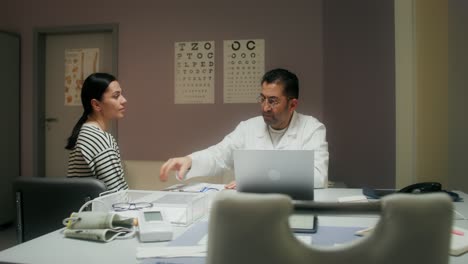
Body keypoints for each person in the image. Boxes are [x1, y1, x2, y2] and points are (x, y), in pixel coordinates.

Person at [159, 68, 329, 188]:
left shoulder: (312, 129)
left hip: (294, 209)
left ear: (292, 104)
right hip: (251, 210)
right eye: (262, 99)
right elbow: (219, 155)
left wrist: (259, 181)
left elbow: (318, 177)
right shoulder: (248, 128)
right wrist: (190, 161)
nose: (265, 107)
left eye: (273, 101)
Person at [66, 72, 129, 192]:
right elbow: (118, 194)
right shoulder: (99, 139)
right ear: (96, 104)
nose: (124, 100)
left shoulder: (85, 131)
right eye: (116, 96)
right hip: (98, 210)